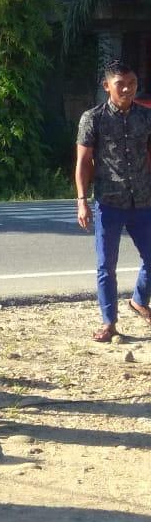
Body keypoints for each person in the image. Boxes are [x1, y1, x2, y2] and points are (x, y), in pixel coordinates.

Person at [75, 60, 151, 341]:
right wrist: (82, 200)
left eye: (132, 84)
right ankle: (109, 323)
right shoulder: (93, 118)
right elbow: (83, 162)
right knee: (106, 266)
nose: (128, 89)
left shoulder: (146, 117)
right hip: (109, 202)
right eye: (121, 85)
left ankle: (139, 300)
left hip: (143, 200)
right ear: (107, 86)